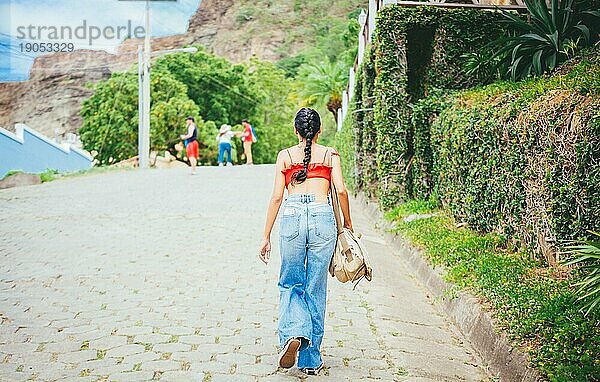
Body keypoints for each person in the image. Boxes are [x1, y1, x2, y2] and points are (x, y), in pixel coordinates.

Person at [258, 108, 353, 375]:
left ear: (295, 131)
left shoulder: (285, 156)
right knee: (315, 286)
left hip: (292, 216)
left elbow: (277, 197)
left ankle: (294, 334)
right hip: (324, 218)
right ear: (320, 130)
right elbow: (342, 191)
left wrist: (265, 235)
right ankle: (310, 359)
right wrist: (347, 222)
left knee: (290, 282)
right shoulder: (330, 154)